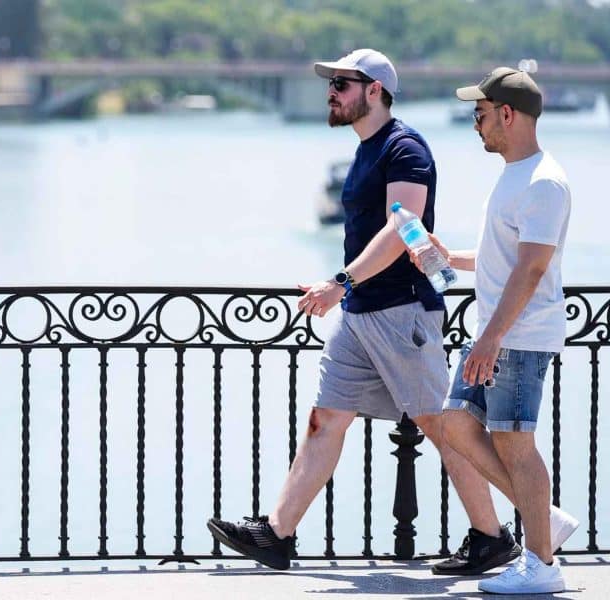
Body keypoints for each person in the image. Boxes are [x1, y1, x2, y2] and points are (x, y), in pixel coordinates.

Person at [206, 49, 521, 574]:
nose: (331, 91)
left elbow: (404, 231)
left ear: (374, 90)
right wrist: (343, 289)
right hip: (361, 312)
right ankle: (277, 534)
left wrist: (339, 280)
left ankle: (492, 537)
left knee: (443, 429)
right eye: (331, 83)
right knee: (325, 418)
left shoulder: (405, 150)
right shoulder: (366, 150)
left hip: (402, 315)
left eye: (342, 83)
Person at [412, 67, 578, 594]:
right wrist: (446, 257)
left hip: (517, 337)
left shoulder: (543, 182)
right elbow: (500, 259)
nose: (475, 124)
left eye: (480, 114)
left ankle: (541, 563)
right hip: (498, 331)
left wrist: (490, 339)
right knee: (456, 424)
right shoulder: (514, 176)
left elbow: (531, 269)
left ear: (507, 114)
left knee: (514, 444)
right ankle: (544, 521)